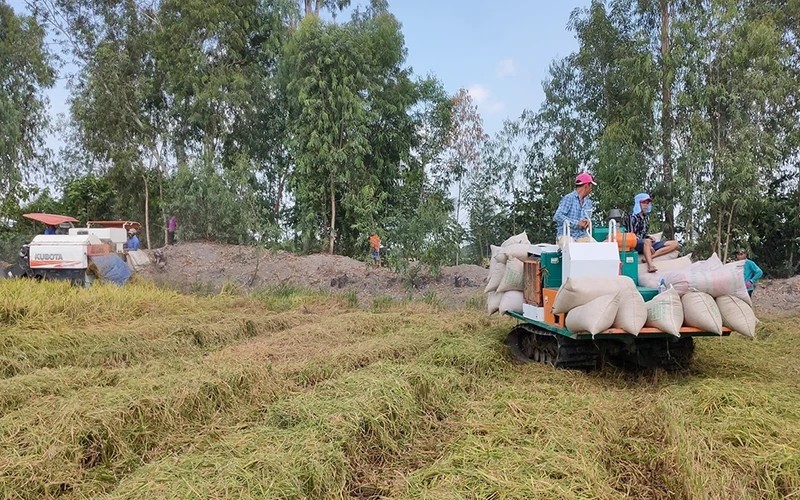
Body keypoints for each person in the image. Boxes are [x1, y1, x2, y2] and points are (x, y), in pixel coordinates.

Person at [629, 193, 679, 273]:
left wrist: (648, 237)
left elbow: (643, 233)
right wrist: (647, 243)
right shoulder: (632, 217)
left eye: (647, 203)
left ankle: (651, 256)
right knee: (647, 242)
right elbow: (631, 235)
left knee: (674, 244)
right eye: (643, 202)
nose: (646, 205)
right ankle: (650, 266)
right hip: (635, 244)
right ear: (638, 203)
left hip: (645, 243)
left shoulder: (645, 217)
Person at [553, 172, 596, 243]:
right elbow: (557, 216)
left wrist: (587, 222)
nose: (591, 189)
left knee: (596, 248)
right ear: (586, 186)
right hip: (566, 235)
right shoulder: (569, 198)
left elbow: (587, 218)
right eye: (591, 186)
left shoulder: (588, 202)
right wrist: (577, 223)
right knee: (571, 248)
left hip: (582, 235)